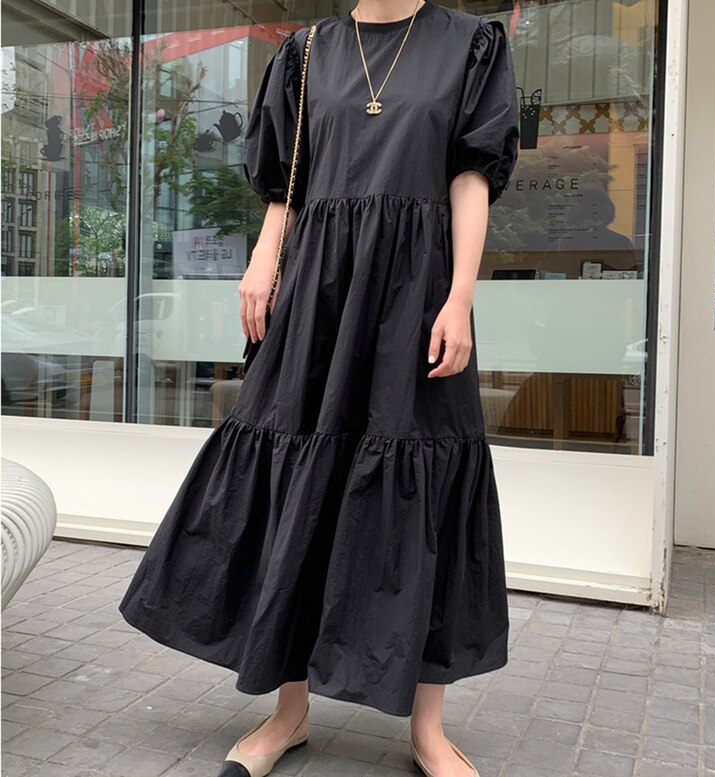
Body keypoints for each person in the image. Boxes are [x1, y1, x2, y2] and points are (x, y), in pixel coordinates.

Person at [118, 1, 520, 776]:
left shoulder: (471, 44)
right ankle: (288, 712)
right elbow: (287, 184)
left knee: (424, 480)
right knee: (296, 480)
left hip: (416, 288)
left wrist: (460, 296)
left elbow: (472, 176)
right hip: (318, 287)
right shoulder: (306, 51)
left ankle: (427, 730)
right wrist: (262, 259)